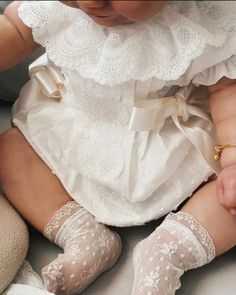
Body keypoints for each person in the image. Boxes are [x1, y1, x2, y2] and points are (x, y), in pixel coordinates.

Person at [0, 1, 236, 294]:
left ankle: (168, 251)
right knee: (9, 149)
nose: (89, 2)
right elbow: (14, 31)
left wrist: (232, 160)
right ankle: (83, 234)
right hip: (72, 139)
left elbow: (227, 90)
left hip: (173, 151)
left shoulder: (204, 20)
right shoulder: (54, 7)